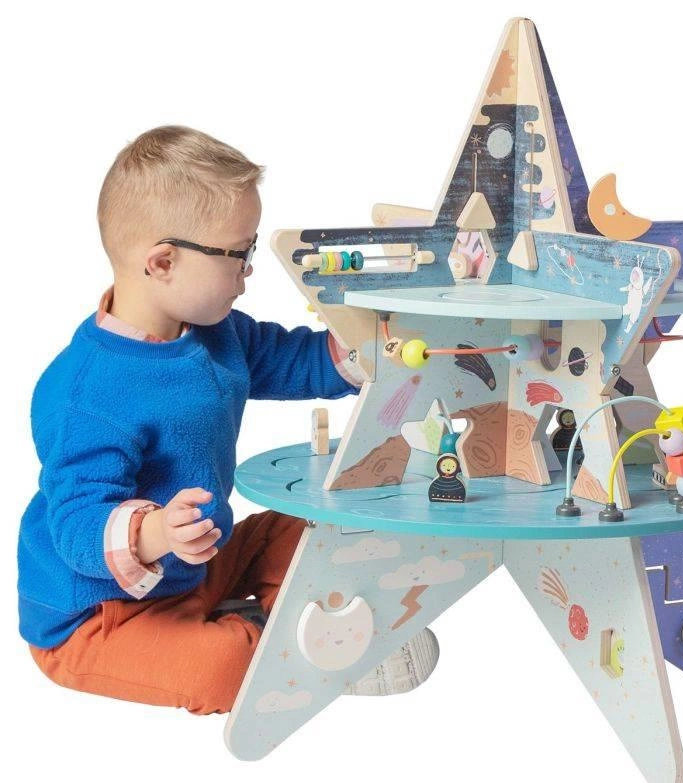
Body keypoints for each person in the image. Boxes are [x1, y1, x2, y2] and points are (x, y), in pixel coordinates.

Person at [17, 125, 438, 715]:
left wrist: (368, 344)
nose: (248, 271)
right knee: (220, 669)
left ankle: (280, 616)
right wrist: (155, 533)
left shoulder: (217, 334)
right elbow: (76, 524)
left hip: (198, 564)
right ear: (163, 261)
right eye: (239, 254)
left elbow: (293, 360)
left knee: (307, 528)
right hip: (100, 613)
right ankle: (280, 640)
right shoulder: (84, 394)